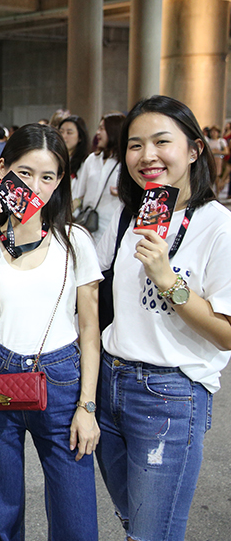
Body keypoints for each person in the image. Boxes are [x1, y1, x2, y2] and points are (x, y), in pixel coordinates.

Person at [95, 95, 231, 541]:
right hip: (110, 384)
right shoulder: (134, 215)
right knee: (136, 522)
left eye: (161, 141)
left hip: (169, 397)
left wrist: (167, 279)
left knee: (154, 532)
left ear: (193, 150)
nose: (147, 155)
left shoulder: (218, 226)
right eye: (135, 145)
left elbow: (226, 333)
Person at [0, 123, 102, 541]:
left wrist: (88, 407)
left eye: (48, 176)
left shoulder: (75, 240)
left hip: (61, 379)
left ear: (61, 180)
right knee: (0, 514)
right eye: (24, 173)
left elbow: (90, 329)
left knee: (75, 517)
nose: (36, 187)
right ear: (2, 168)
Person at [71, 113, 124, 240]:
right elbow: (80, 193)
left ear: (114, 131)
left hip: (111, 228)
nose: (97, 133)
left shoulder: (124, 162)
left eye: (102, 128)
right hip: (88, 225)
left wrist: (121, 193)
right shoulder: (92, 159)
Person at [58, 114, 90, 182]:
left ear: (80, 137)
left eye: (69, 133)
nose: (63, 136)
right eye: (61, 132)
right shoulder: (54, 159)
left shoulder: (86, 163)